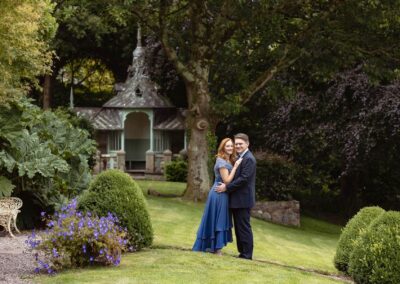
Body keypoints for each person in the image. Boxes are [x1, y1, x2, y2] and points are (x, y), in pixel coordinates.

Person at [192, 138, 243, 255]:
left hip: (224, 194)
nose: (230, 148)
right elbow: (227, 180)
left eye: (231, 146)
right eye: (228, 146)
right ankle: (216, 249)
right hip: (218, 194)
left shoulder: (229, 160)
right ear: (223, 148)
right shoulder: (221, 162)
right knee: (217, 220)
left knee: (219, 219)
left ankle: (215, 248)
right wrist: (235, 167)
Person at [216, 133, 256, 260]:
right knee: (239, 228)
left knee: (243, 227)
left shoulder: (249, 158)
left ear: (247, 144)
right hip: (237, 199)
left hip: (243, 200)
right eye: (236, 144)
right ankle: (242, 253)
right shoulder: (239, 157)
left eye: (240, 144)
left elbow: (244, 179)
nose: (238, 146)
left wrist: (226, 187)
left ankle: (247, 254)